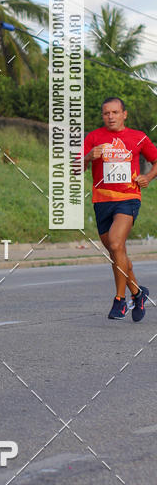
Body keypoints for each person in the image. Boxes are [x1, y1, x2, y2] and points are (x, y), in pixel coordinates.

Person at [83, 96, 157, 320]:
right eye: (106, 113)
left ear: (124, 114)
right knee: (117, 252)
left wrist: (149, 177)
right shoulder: (94, 137)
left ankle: (119, 300)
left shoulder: (138, 137)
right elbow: (75, 167)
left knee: (116, 242)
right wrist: (88, 156)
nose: (110, 117)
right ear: (102, 115)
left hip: (128, 198)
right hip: (102, 201)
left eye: (115, 112)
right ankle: (138, 293)